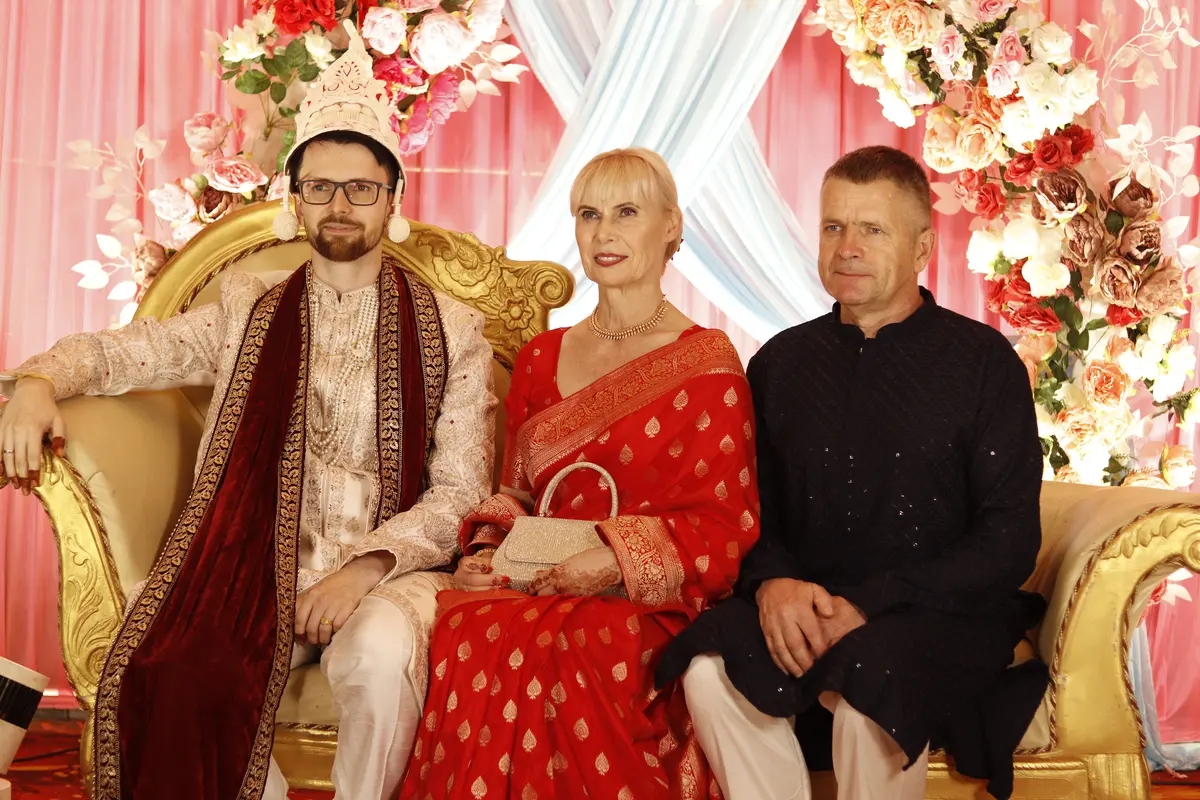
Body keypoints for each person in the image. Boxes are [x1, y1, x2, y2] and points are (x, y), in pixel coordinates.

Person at [0, 24, 495, 800]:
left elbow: (462, 492)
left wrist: (363, 568)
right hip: (252, 571)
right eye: (320, 187)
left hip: (391, 576)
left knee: (376, 658)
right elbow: (128, 354)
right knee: (171, 673)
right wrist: (37, 379)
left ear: (393, 197)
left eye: (361, 188)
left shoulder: (452, 331)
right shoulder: (247, 307)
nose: (340, 205)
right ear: (295, 198)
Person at [657, 146, 1049, 800]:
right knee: (709, 665)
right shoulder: (780, 363)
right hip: (805, 603)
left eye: (873, 229)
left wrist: (871, 603)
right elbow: (751, 510)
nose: (847, 248)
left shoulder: (983, 364)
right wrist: (773, 583)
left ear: (922, 247)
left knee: (874, 678)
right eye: (833, 227)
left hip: (937, 610)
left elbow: (1008, 541)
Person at [396, 147, 759, 800]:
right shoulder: (541, 356)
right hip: (534, 584)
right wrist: (486, 552)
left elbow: (724, 527)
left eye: (627, 213)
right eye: (589, 214)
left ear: (672, 226)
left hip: (644, 599)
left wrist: (613, 560)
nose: (604, 232)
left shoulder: (708, 363)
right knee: (469, 622)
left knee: (583, 639)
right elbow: (516, 493)